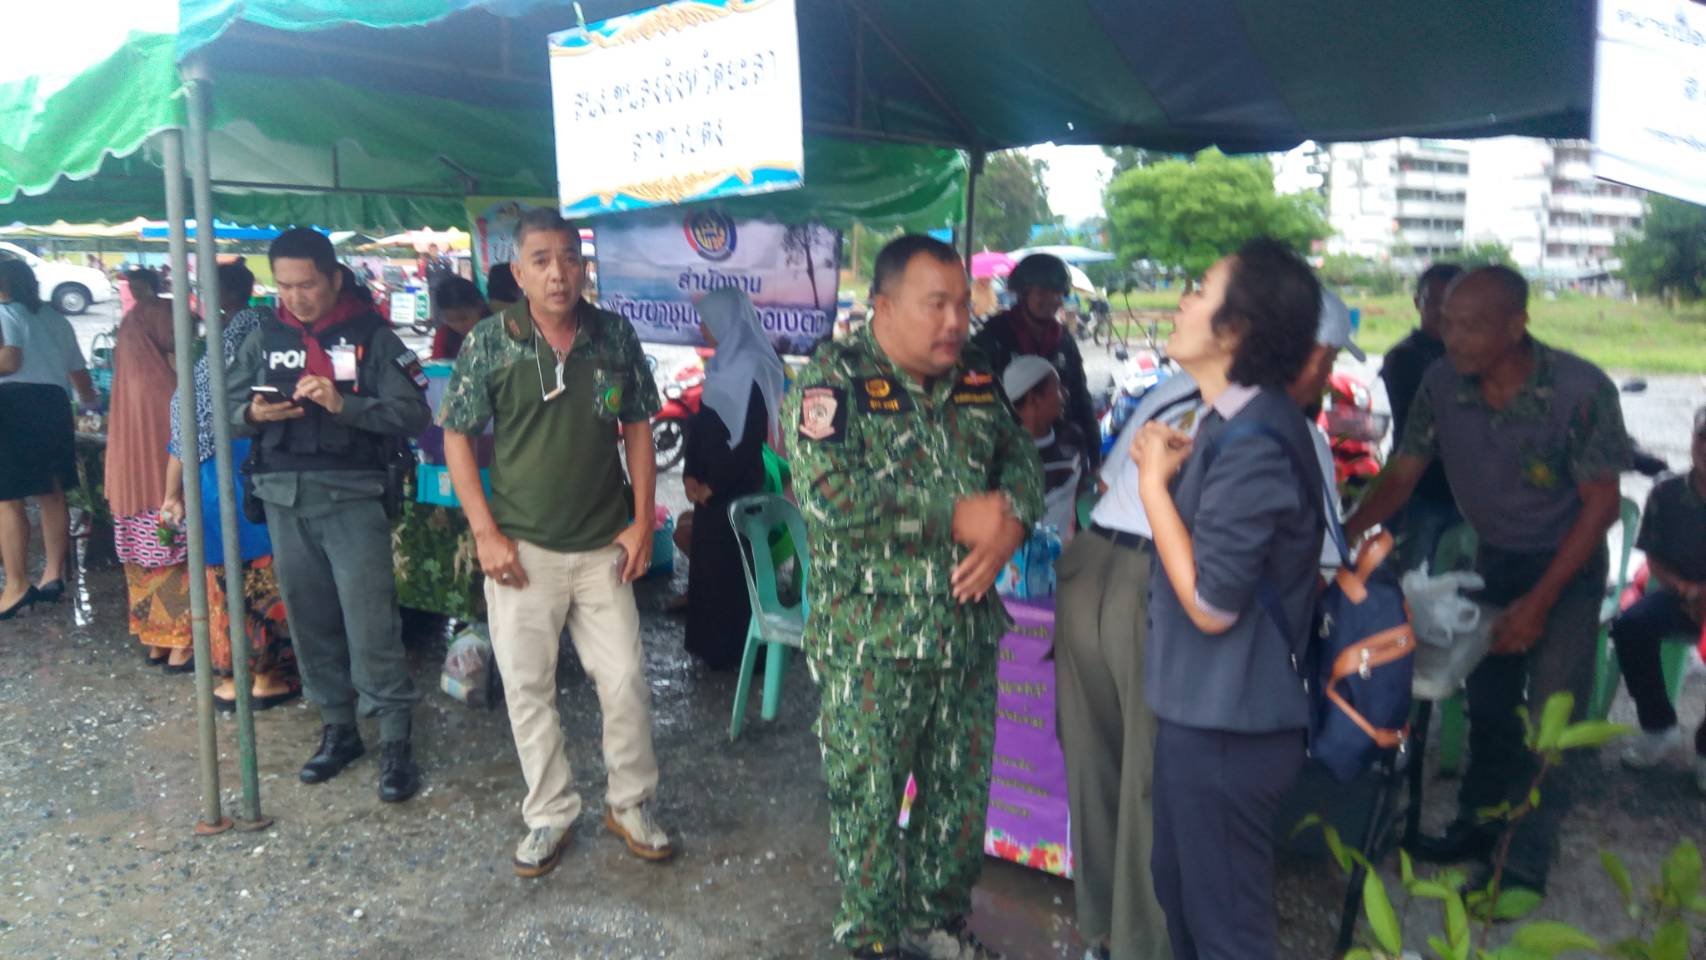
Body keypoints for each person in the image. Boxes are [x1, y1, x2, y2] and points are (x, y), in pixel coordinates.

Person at [786, 234, 1043, 960]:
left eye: (962, 304)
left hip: (965, 635)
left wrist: (1009, 528)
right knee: (868, 803)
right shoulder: (832, 383)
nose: (956, 321)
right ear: (885, 305)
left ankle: (939, 924)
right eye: (937, 305)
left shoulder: (975, 378)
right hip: (873, 644)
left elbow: (1022, 461)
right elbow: (830, 497)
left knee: (957, 801)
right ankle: (871, 937)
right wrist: (954, 517)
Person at [1345, 266, 1629, 895]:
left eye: (1471, 326)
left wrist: (1540, 602)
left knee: (1550, 718)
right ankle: (1479, 823)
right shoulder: (1442, 383)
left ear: (1516, 325)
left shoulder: (1579, 390)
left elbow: (1602, 505)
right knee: (1491, 703)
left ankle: (1523, 861)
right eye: (1448, 322)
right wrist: (1340, 537)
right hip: (1495, 559)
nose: (1454, 338)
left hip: (1568, 566)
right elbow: (1403, 473)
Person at [437, 208, 673, 878]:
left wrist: (642, 520)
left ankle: (630, 804)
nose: (558, 273)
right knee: (527, 686)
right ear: (518, 272)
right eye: (541, 260)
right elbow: (457, 434)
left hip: (602, 547)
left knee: (625, 680)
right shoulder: (491, 340)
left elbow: (637, 427)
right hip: (522, 552)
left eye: (569, 257)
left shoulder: (612, 335)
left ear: (584, 266)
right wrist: (485, 533)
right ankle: (549, 813)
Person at [1130, 239, 1326, 960]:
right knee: (1182, 895)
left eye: (1200, 290)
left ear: (1235, 329)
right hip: (1204, 714)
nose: (1183, 301)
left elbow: (1212, 604)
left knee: (1226, 931)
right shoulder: (1230, 422)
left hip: (1231, 726)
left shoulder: (1257, 441)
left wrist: (1153, 489)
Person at [226, 228, 430, 803]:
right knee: (310, 621)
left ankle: (394, 737)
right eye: (284, 285)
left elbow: (415, 413)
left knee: (371, 623)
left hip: (352, 498)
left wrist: (347, 405)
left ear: (335, 278)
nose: (296, 297)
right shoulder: (264, 336)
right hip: (284, 498)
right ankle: (338, 727)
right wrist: (253, 413)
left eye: (308, 285)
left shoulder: (373, 337)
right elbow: (223, 406)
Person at [160, 259, 298, 711]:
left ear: (220, 294)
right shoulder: (271, 331)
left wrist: (171, 493)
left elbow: (188, 423)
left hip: (216, 472)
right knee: (263, 573)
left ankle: (236, 676)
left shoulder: (218, 346)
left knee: (225, 578)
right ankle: (267, 676)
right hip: (258, 464)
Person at [680, 287, 784, 670]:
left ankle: (741, 654)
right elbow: (702, 424)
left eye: (708, 321)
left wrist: (714, 485)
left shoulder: (753, 368)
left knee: (735, 571)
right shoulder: (721, 365)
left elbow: (749, 439)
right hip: (707, 490)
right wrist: (691, 475)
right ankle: (712, 649)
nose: (703, 328)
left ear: (727, 321)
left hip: (736, 490)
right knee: (709, 567)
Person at [1611, 407, 1706, 791]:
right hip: (1681, 593)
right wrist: (1685, 589)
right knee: (1630, 626)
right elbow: (1654, 558)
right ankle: (1658, 726)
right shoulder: (1667, 492)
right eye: (1703, 437)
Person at [0, 259, 99, 619]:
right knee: (51, 492)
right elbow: (81, 375)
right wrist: (89, 405)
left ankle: (16, 584)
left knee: (8, 498)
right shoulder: (55, 318)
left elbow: (10, 361)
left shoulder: (3, 312)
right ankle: (52, 575)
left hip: (13, 404)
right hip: (54, 405)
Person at [105, 267, 195, 668]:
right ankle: (182, 642)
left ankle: (156, 640)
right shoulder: (171, 387)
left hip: (130, 500)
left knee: (142, 566)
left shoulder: (128, 376)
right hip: (167, 500)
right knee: (175, 561)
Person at [971, 253, 1101, 472]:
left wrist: (1094, 456)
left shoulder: (1063, 340)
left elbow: (1080, 397)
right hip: (1003, 451)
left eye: (1058, 293)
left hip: (1056, 450)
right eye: (1042, 292)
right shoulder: (993, 337)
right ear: (1023, 293)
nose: (1052, 300)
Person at [1379, 263, 1464, 569]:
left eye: (1451, 303)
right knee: (1401, 579)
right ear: (1418, 302)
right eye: (1434, 301)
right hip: (1416, 491)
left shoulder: (1475, 355)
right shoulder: (1404, 357)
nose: (1442, 312)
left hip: (1466, 495)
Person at [1288, 288, 1364, 569]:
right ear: (1317, 356)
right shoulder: (1303, 437)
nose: (1328, 377)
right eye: (1331, 361)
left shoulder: (1198, 398)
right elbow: (1325, 560)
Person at [1000, 355, 1087, 538]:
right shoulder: (998, 454)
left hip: (1066, 552)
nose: (1065, 393)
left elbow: (1079, 491)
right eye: (1057, 388)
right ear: (1034, 399)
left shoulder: (1072, 438)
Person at [429, 275, 488, 360]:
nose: (459, 326)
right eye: (451, 320)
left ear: (480, 306)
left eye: (464, 318)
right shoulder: (443, 336)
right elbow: (438, 365)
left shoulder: (499, 330)